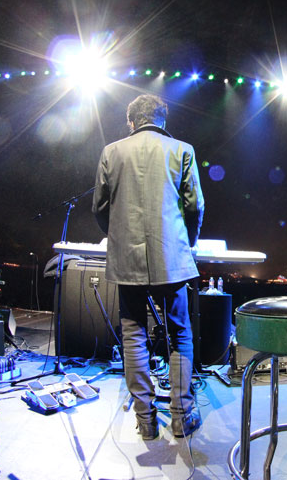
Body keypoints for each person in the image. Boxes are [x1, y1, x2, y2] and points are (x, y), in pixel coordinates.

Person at [92, 94, 205, 441]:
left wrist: (119, 236)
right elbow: (195, 206)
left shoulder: (111, 151)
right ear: (162, 120)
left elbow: (99, 207)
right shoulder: (182, 150)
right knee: (180, 333)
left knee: (133, 334)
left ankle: (145, 421)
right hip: (171, 258)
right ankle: (181, 417)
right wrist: (186, 242)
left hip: (127, 258)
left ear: (131, 121)